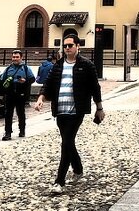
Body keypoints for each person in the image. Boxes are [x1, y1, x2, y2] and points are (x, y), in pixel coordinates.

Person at [35, 34, 105, 193]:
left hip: (76, 111)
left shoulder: (87, 65)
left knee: (66, 142)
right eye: (65, 46)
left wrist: (99, 108)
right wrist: (41, 98)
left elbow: (95, 88)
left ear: (77, 46)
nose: (67, 48)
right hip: (60, 111)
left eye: (70, 45)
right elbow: (48, 84)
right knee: (68, 142)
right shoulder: (58, 65)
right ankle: (78, 168)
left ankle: (59, 182)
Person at [0, 50, 35, 140]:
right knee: (8, 114)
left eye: (17, 57)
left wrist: (24, 81)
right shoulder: (8, 69)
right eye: (13, 57)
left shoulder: (26, 68)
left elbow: (32, 79)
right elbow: (2, 79)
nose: (15, 59)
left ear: (21, 58)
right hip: (10, 93)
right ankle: (8, 132)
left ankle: (22, 130)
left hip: (21, 93)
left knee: (21, 113)